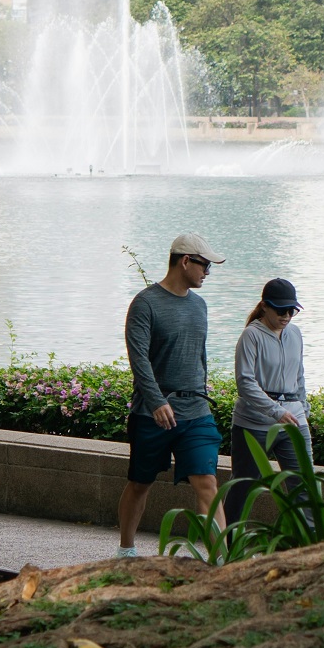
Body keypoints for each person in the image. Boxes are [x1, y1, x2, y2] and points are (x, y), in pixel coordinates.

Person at [117, 232, 226, 557]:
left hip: (196, 412)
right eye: (204, 265)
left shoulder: (200, 306)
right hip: (151, 415)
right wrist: (157, 402)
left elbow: (199, 358)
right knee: (140, 483)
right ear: (185, 261)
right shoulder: (145, 304)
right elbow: (138, 360)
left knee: (207, 483)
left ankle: (221, 560)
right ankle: (126, 551)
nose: (207, 272)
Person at [227, 278, 311, 525]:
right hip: (254, 423)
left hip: (294, 419)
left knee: (304, 486)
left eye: (292, 310)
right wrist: (275, 411)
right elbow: (245, 383)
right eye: (281, 310)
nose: (287, 316)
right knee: (243, 486)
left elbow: (299, 375)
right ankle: (228, 548)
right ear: (264, 306)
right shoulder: (251, 336)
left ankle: (307, 548)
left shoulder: (295, 333)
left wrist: (303, 408)